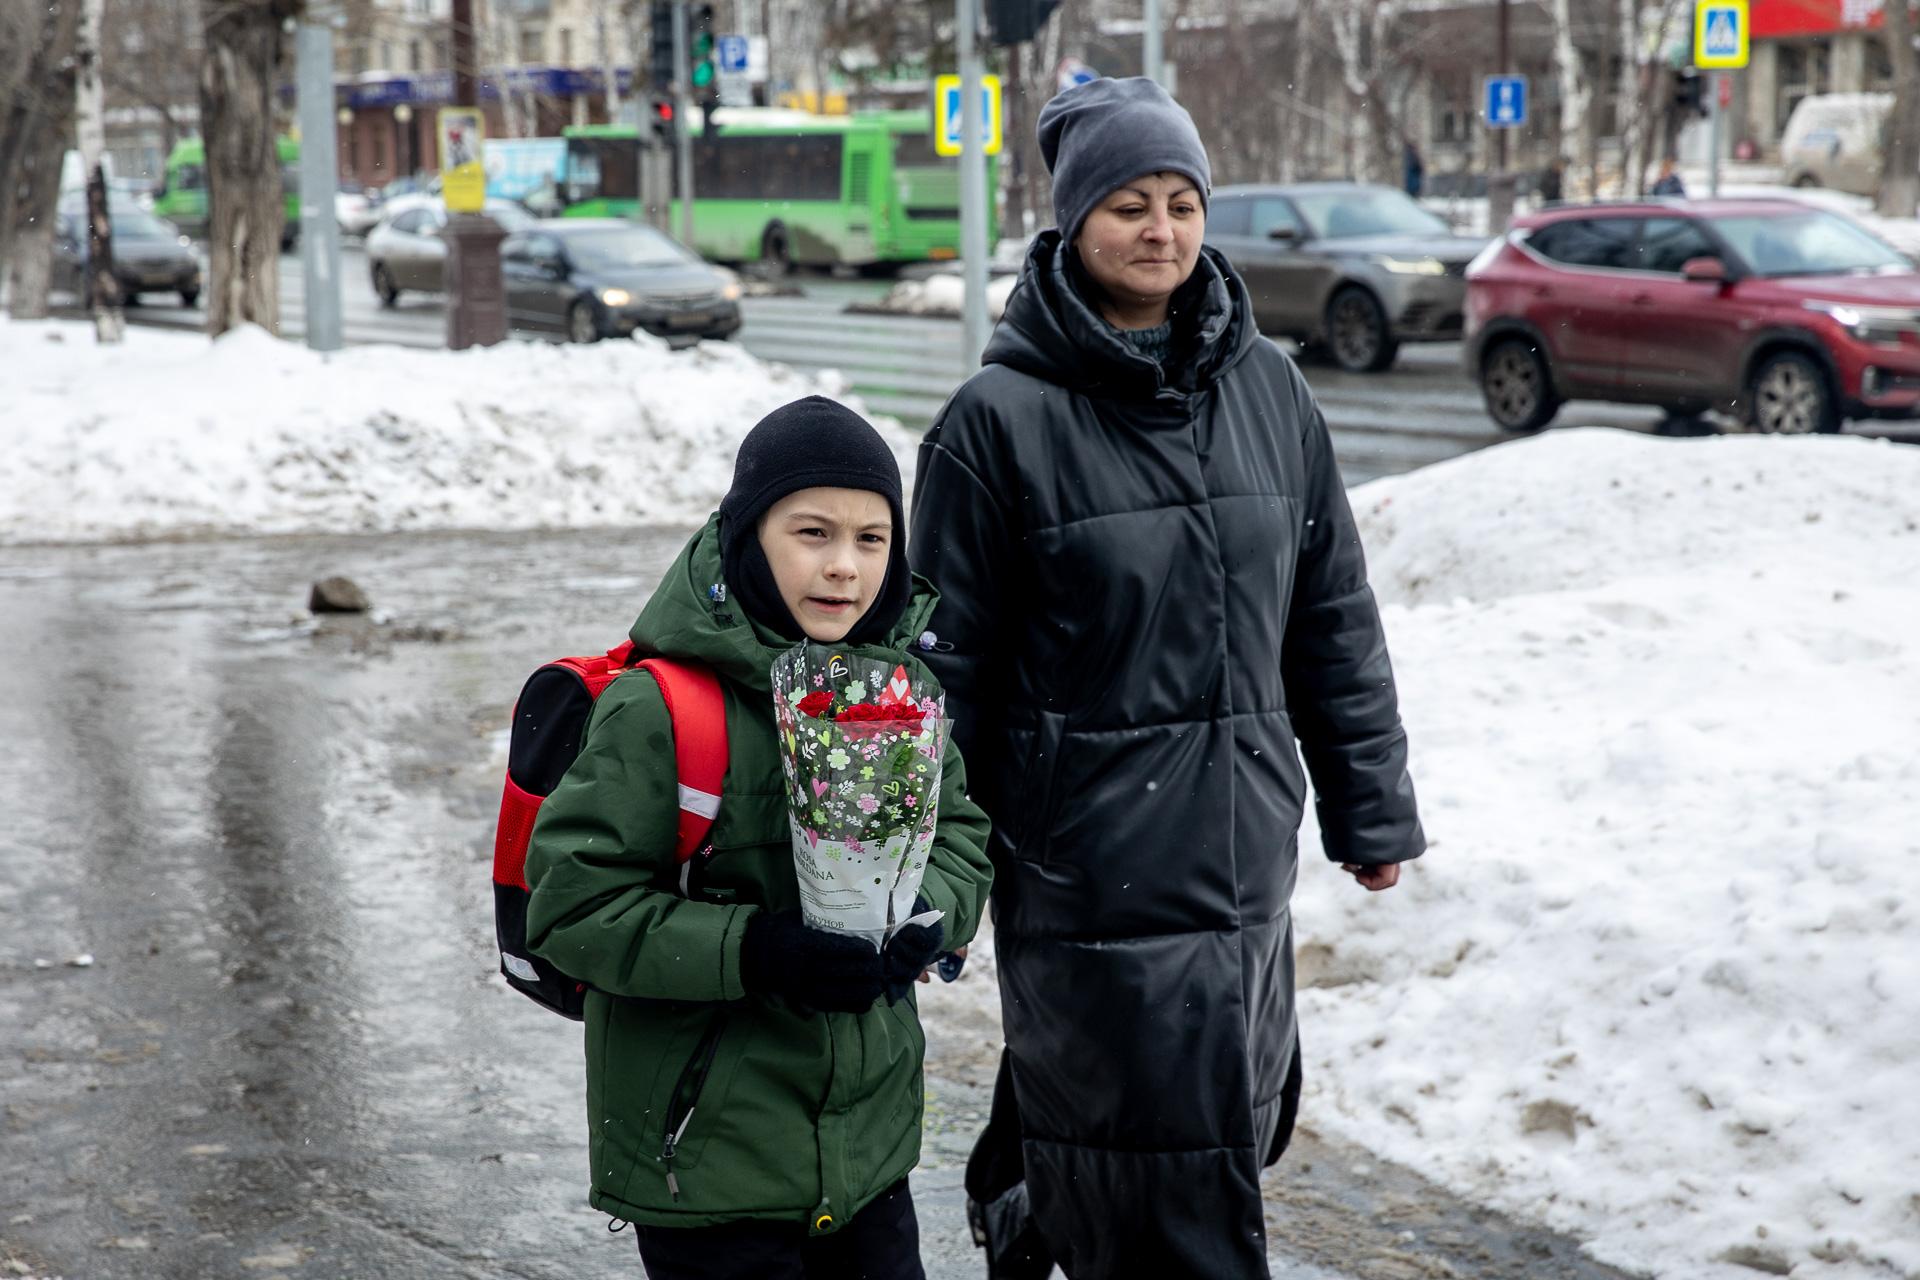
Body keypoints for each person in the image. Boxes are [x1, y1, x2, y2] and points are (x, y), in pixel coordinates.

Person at [909, 77, 1425, 1279]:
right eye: (1130, 203)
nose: (1160, 230)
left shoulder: (1272, 392)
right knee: (1154, 1163)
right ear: (1074, 222)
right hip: (1087, 861)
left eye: (1182, 201)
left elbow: (1332, 619)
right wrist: (932, 866)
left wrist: (1371, 806)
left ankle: (1027, 1197)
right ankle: (1038, 1202)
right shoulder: (996, 422)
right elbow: (942, 674)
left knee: (1218, 1128)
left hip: (1243, 845)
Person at [524, 396, 994, 1280]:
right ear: (748, 537)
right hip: (709, 1160)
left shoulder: (900, 689)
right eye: (811, 533)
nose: (844, 568)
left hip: (869, 1151)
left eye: (871, 539)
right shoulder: (662, 710)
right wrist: (760, 952)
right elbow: (574, 907)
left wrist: (926, 908)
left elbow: (962, 829)